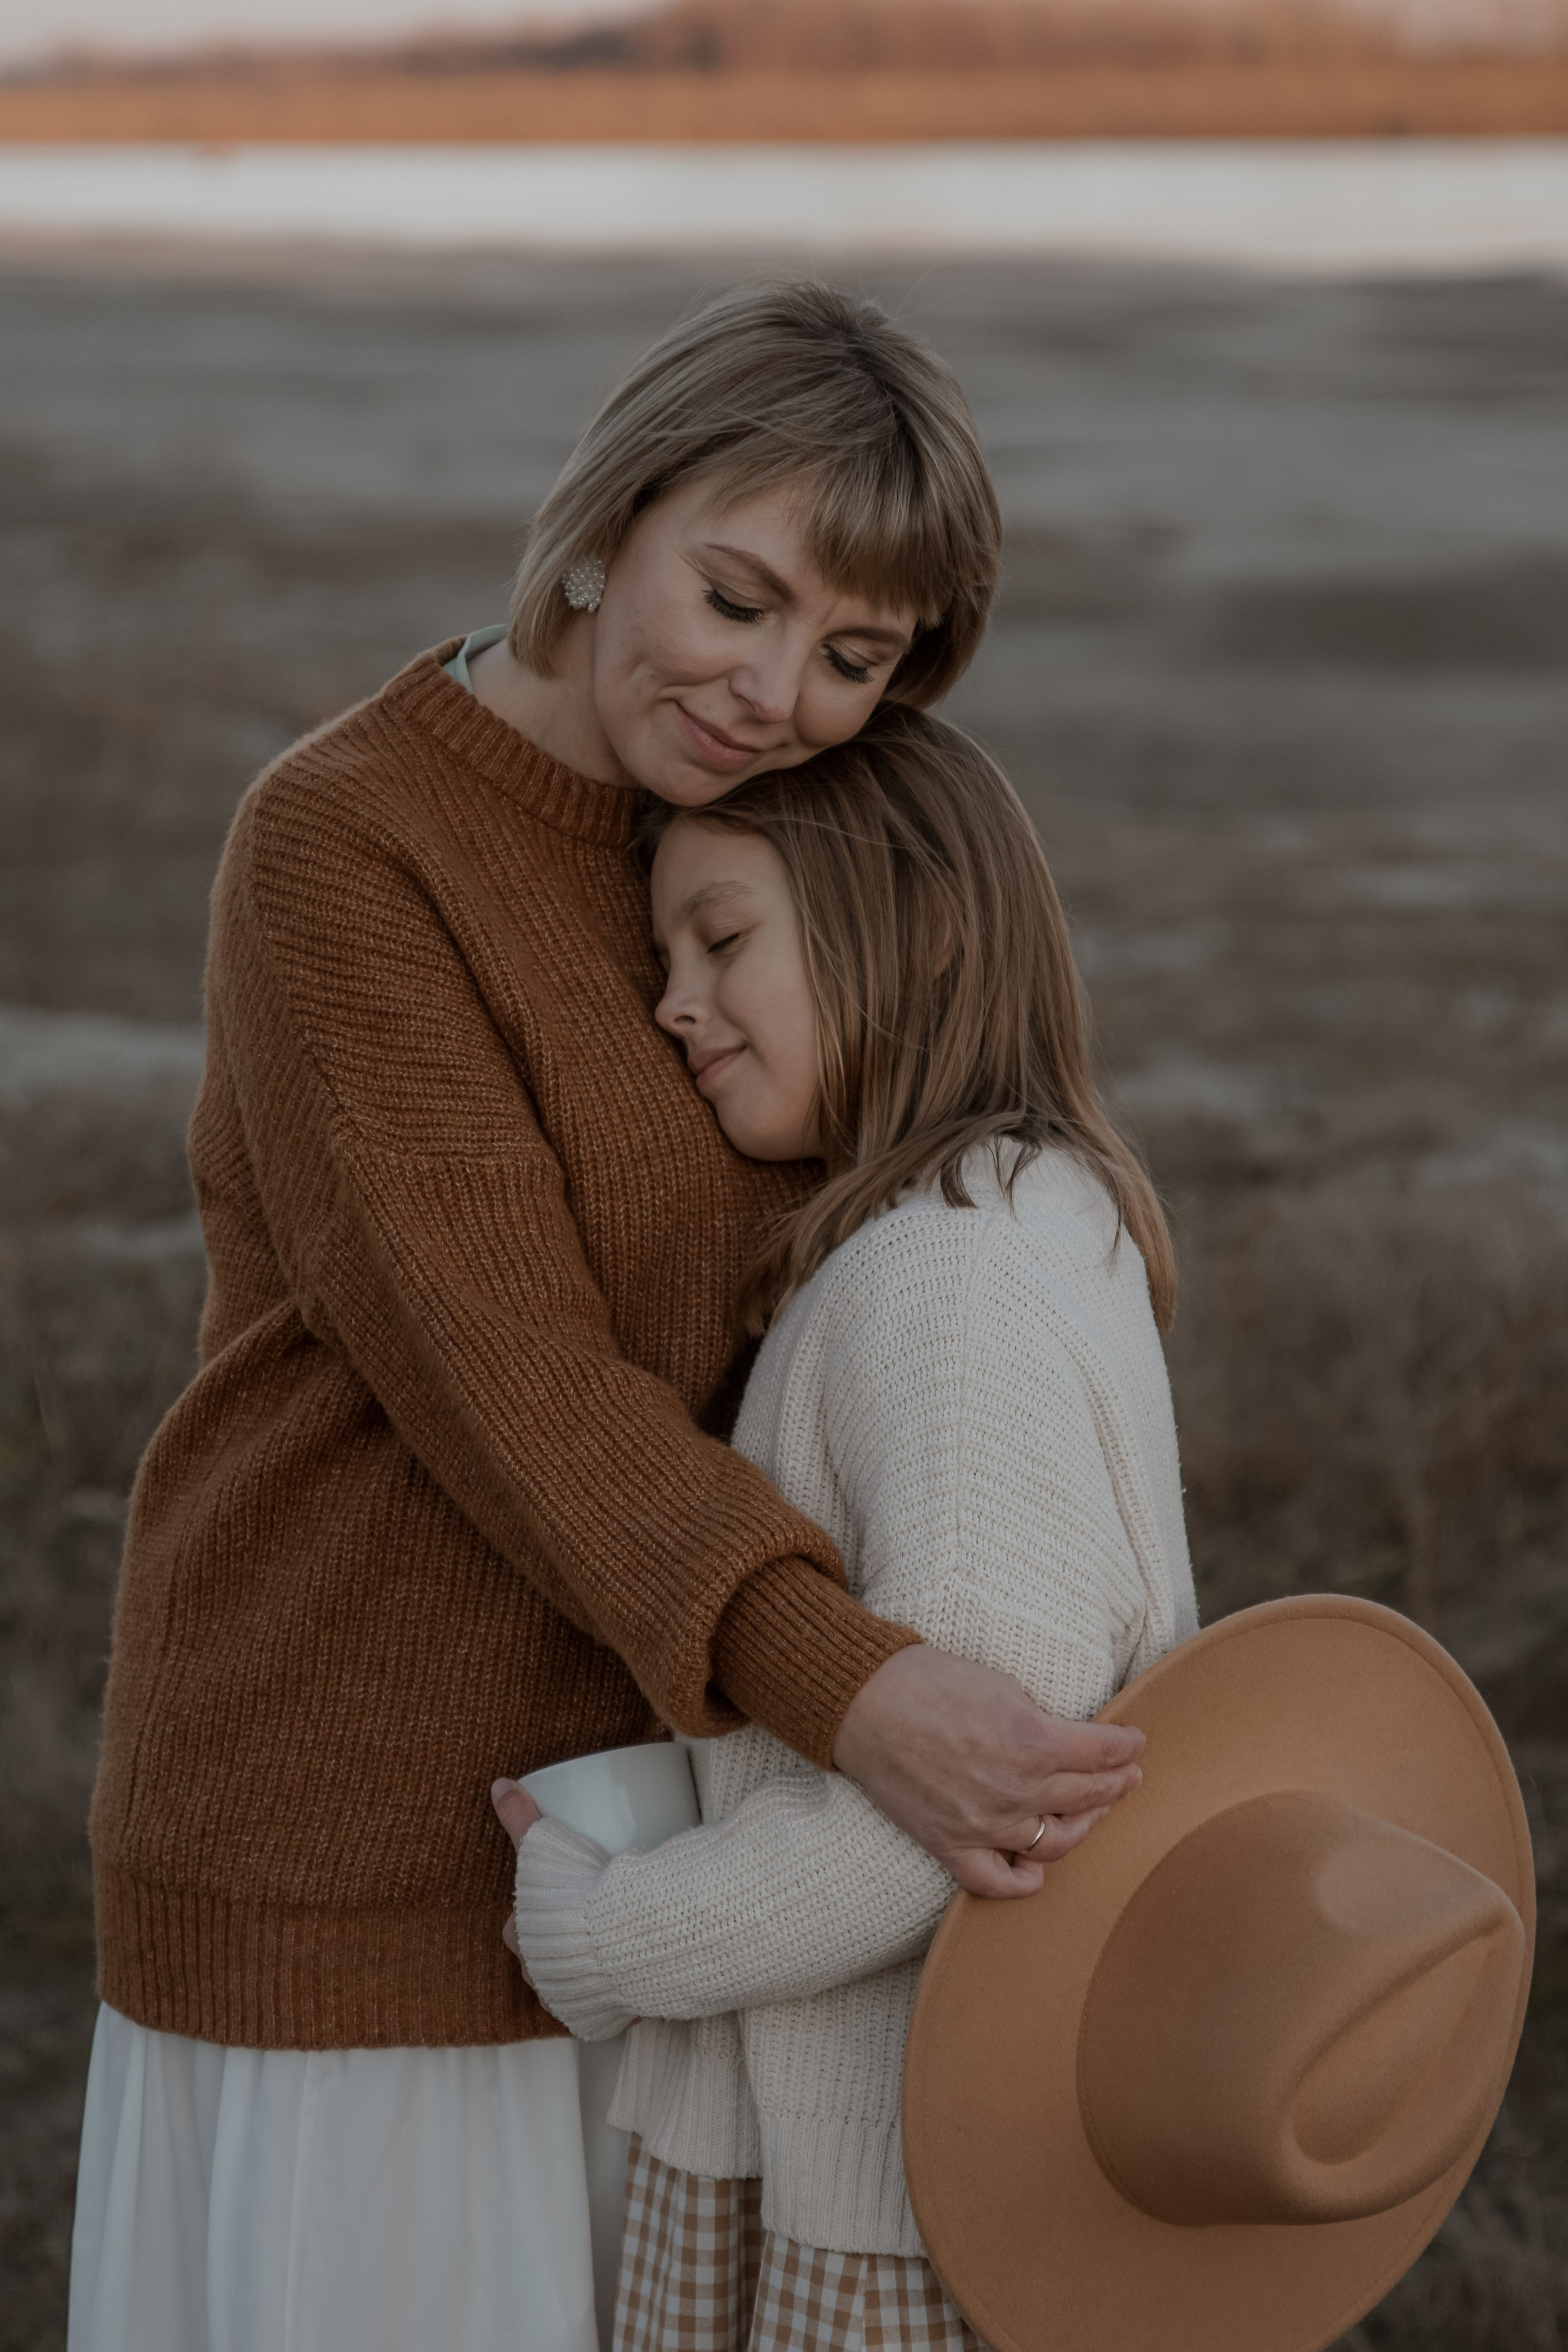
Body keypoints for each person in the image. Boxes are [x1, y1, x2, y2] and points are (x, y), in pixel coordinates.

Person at [69, 284, 1145, 2352]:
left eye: (855, 657)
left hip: (664, 1861)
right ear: (607, 513)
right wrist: (859, 1687)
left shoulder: (751, 846)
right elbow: (508, 1374)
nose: (770, 692)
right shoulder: (346, 843)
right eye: (733, 597)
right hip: (356, 1821)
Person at [498, 703, 1199, 2351]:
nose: (674, 1002)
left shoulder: (940, 1286)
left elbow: (959, 1801)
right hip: (923, 2153)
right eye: (665, 954)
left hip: (875, 2182)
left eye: (722, 938)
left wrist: (610, 1935)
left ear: (924, 931)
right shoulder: (1035, 1209)